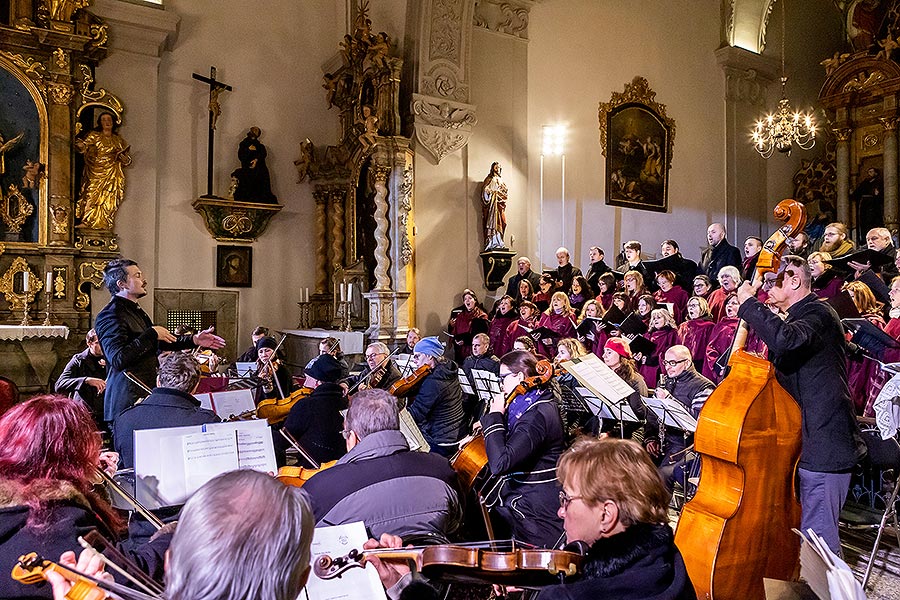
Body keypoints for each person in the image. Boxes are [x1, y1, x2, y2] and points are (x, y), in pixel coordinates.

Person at [736, 255, 866, 555]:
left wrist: (748, 304)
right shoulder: (800, 317)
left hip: (824, 444)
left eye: (773, 281)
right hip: (805, 443)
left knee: (819, 548)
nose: (766, 287)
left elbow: (784, 340)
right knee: (809, 541)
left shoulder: (818, 313)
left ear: (794, 281)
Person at [0, 395, 170, 599]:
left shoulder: (16, 502)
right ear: (69, 454)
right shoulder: (52, 519)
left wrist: (85, 478)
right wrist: (174, 536)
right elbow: (129, 576)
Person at [536, 437, 696, 599]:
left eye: (567, 500)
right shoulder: (672, 566)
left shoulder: (564, 597)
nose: (560, 512)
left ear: (606, 515)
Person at [303, 389, 463, 539]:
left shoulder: (319, 489)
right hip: (429, 567)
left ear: (353, 437)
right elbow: (456, 524)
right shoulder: (441, 468)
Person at [94, 259, 225, 425]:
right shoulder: (110, 315)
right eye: (138, 276)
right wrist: (151, 334)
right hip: (127, 400)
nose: (144, 280)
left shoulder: (134, 310)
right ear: (122, 284)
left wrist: (195, 339)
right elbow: (117, 359)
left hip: (143, 395)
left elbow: (159, 342)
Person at [482, 350, 565, 547]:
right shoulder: (530, 403)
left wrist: (494, 417)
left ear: (520, 376)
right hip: (525, 493)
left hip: (533, 505)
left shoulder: (536, 414)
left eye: (503, 378)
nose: (501, 384)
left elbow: (500, 463)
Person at [114, 353, 219, 468]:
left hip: (135, 486)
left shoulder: (124, 419)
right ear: (195, 386)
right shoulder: (206, 421)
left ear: (158, 381)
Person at [644, 345, 715, 490]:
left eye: (673, 363)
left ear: (687, 363)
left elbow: (698, 421)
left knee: (662, 476)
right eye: (666, 363)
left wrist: (669, 400)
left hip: (684, 446)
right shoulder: (665, 381)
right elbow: (652, 414)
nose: (668, 367)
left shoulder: (703, 386)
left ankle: (657, 511)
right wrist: (651, 438)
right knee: (631, 463)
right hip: (663, 441)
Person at [283, 354, 347, 467]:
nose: (305, 384)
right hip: (344, 467)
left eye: (308, 378)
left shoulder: (306, 406)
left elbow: (283, 440)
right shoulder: (348, 403)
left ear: (317, 382)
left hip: (313, 471)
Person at [407, 337, 466, 456]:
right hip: (454, 431)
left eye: (417, 356)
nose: (414, 361)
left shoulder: (434, 382)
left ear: (429, 356)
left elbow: (415, 415)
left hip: (441, 440)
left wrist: (397, 416)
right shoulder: (447, 370)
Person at [74, 111, 132, 230]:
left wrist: (122, 157)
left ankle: (104, 221)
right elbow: (84, 146)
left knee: (108, 196)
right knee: (90, 194)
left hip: (111, 172)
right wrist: (80, 145)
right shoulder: (95, 136)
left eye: (109, 120)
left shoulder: (117, 140)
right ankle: (87, 220)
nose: (107, 122)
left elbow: (127, 160)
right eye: (104, 120)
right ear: (100, 122)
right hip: (96, 170)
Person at [55, 328, 106, 426]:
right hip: (85, 411)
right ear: (89, 343)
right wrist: (86, 380)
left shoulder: (110, 358)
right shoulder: (79, 360)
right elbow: (59, 384)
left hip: (105, 409)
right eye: (98, 343)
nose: (103, 346)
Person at [461, 333, 501, 425]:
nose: (474, 348)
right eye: (473, 345)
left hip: (484, 400)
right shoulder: (468, 360)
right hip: (469, 396)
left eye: (477, 345)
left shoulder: (494, 362)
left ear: (486, 346)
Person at [232, 126, 276, 203]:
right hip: (247, 168)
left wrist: (256, 160)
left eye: (257, 132)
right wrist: (248, 150)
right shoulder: (244, 144)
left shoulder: (260, 146)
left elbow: (263, 154)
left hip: (259, 168)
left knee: (263, 174)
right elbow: (241, 155)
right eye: (254, 131)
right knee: (246, 177)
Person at [703, 293, 740, 383]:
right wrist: (717, 366)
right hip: (718, 370)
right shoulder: (720, 326)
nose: (729, 305)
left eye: (734, 303)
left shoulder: (745, 326)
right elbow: (710, 348)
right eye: (727, 303)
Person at [448, 289, 489, 362]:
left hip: (474, 351)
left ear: (475, 300)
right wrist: (456, 340)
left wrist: (465, 341)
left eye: (470, 298)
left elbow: (482, 335)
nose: (467, 301)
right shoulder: (460, 316)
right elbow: (455, 332)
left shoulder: (481, 316)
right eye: (465, 299)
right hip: (459, 350)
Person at [677, 296, 716, 372]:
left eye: (694, 305)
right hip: (684, 363)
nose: (690, 308)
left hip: (700, 364)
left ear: (702, 307)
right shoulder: (683, 326)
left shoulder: (709, 326)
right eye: (689, 306)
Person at [255, 336, 294, 403]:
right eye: (260, 352)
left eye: (267, 350)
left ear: (274, 352)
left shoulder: (283, 370)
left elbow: (283, 396)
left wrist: (268, 387)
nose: (264, 355)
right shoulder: (258, 368)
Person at [538, 292, 577, 358]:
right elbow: (539, 329)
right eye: (554, 300)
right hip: (544, 349)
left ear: (565, 302)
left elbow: (571, 336)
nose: (555, 302)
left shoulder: (570, 316)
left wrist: (553, 341)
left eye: (558, 300)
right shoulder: (546, 315)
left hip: (560, 350)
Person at [482, 161, 508, 250]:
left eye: (499, 168)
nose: (498, 169)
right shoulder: (490, 179)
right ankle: (492, 241)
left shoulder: (501, 181)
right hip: (493, 205)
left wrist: (503, 191)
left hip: (499, 204)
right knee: (492, 223)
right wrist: (488, 192)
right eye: (496, 167)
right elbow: (485, 192)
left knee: (503, 222)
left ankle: (499, 240)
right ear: (493, 168)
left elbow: (505, 193)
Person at [853, 167, 883, 243]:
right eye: (868, 172)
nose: (869, 174)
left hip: (874, 205)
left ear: (876, 173)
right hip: (864, 205)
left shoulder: (879, 182)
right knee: (863, 223)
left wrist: (877, 194)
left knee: (873, 222)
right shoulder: (865, 182)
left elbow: (880, 195)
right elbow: (857, 192)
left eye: (871, 172)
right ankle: (864, 240)